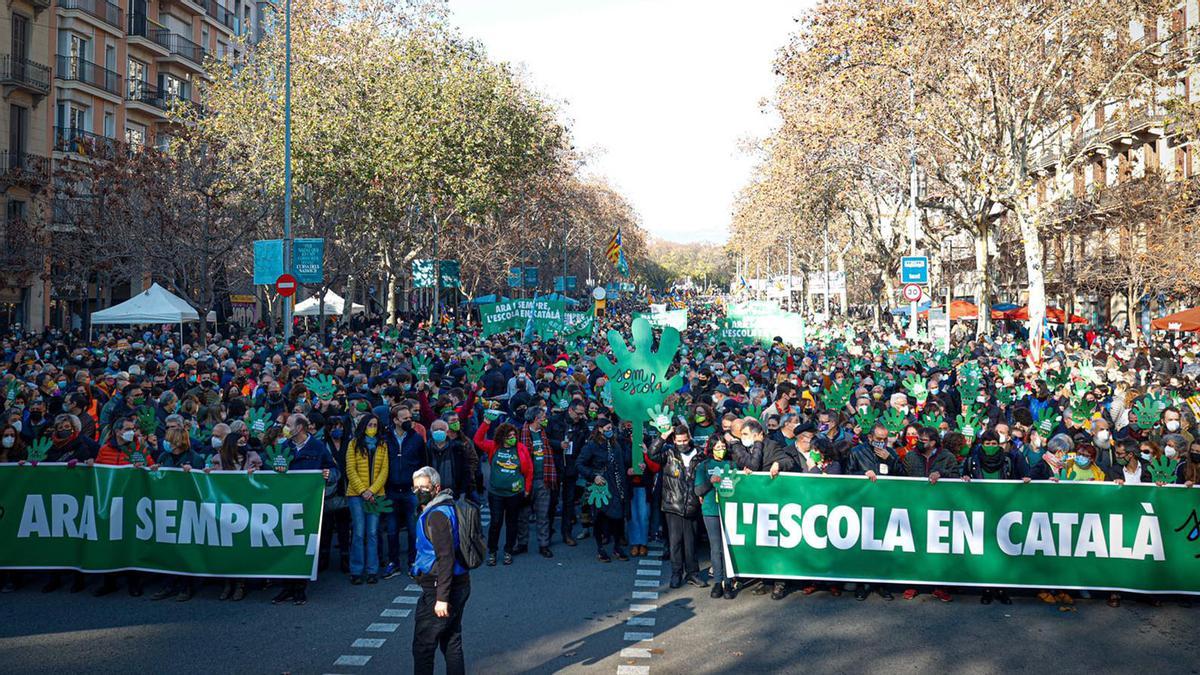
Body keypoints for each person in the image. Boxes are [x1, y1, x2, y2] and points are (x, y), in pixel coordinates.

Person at [410, 466, 470, 675]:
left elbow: (445, 558)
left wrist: (441, 598)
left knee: (424, 646)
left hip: (440, 587)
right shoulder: (446, 506)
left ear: (436, 488)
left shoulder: (436, 515)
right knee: (451, 641)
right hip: (458, 582)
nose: (419, 492)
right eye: (415, 488)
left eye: (423, 488)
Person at [647, 424, 705, 588]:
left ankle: (693, 573)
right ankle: (676, 573)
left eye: (685, 440)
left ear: (690, 438)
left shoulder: (699, 453)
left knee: (691, 542)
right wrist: (663, 436)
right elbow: (651, 454)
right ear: (674, 440)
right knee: (675, 542)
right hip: (673, 504)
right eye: (678, 441)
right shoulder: (668, 452)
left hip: (692, 504)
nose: (682, 444)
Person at [473, 415, 533, 566]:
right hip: (496, 494)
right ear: (502, 437)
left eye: (514, 435)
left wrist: (527, 489)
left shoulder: (521, 448)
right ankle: (492, 552)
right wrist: (486, 423)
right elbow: (478, 440)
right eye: (509, 436)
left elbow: (529, 470)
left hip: (514, 493)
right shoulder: (494, 446)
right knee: (496, 523)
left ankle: (508, 551)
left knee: (512, 523)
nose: (512, 438)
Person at [576, 417, 632, 563]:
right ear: (600, 429)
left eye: (611, 428)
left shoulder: (615, 443)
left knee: (618, 517)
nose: (610, 431)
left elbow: (622, 462)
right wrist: (593, 476)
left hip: (617, 485)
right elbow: (580, 464)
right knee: (600, 518)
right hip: (601, 486)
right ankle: (600, 549)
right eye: (607, 429)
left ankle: (617, 547)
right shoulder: (592, 445)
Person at [346, 413, 388, 585]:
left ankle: (372, 570)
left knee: (372, 533)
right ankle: (356, 570)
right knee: (358, 532)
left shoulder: (382, 445)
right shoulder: (353, 444)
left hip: (376, 495)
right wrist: (363, 490)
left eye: (375, 425)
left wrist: (372, 490)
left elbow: (384, 471)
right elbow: (350, 469)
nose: (372, 428)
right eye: (369, 425)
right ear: (363, 426)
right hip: (356, 495)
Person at [693, 435, 736, 599]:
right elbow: (698, 491)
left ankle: (728, 582)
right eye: (717, 448)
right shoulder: (703, 466)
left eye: (723, 447)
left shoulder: (732, 464)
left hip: (730, 510)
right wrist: (711, 482)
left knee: (728, 548)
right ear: (711, 449)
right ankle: (718, 582)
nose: (721, 450)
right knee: (716, 547)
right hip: (711, 510)